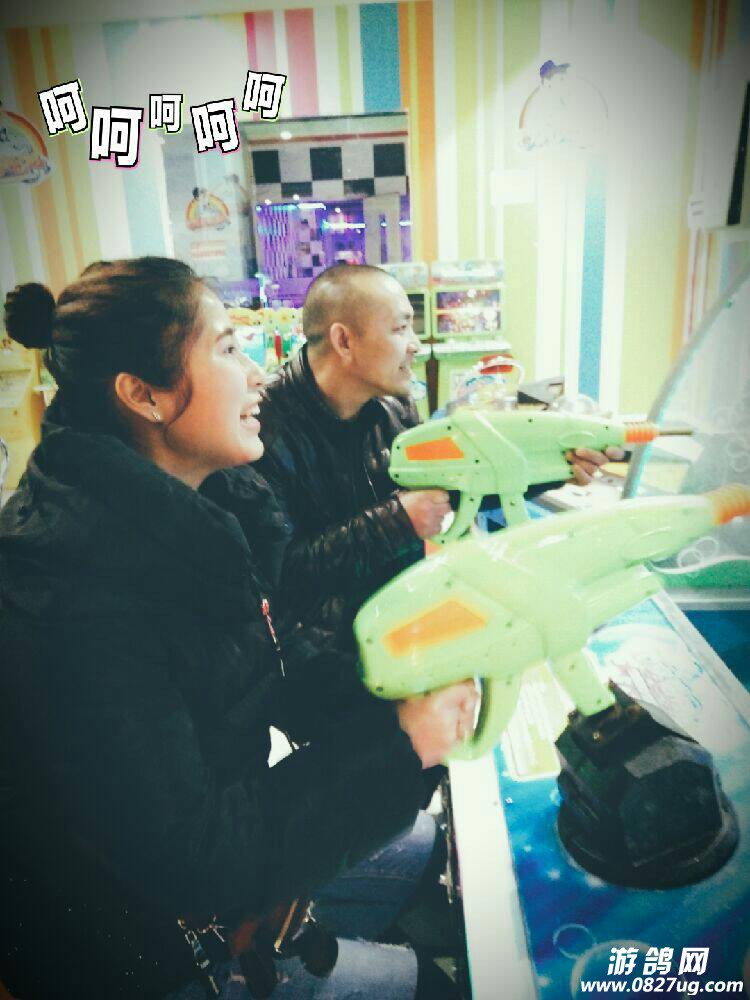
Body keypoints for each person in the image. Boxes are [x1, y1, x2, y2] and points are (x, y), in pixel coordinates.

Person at [0, 259, 477, 999]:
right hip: (150, 951)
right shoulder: (74, 598)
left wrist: (400, 693)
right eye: (228, 349)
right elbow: (198, 858)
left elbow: (269, 662)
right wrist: (400, 744)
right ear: (144, 395)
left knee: (439, 858)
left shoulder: (203, 505)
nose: (258, 374)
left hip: (220, 869)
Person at [252, 263, 623, 640]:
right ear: (344, 341)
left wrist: (556, 467)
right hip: (325, 652)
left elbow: (456, 489)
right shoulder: (262, 430)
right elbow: (281, 575)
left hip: (402, 619)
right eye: (400, 328)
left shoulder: (393, 407)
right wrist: (396, 521)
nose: (415, 344)